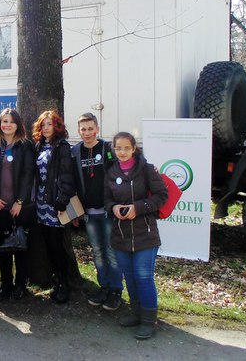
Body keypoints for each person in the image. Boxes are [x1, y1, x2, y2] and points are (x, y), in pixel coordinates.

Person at [104, 132, 168, 340]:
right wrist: (113, 208)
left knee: (143, 277)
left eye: (126, 148)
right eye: (118, 148)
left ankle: (149, 321)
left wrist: (138, 208)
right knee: (130, 277)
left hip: (145, 234)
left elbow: (162, 196)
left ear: (133, 149)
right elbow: (106, 200)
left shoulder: (147, 170)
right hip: (121, 235)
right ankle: (136, 314)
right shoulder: (111, 172)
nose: (122, 152)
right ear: (114, 149)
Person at [71, 113, 123, 310]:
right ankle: (104, 286)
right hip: (89, 213)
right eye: (83, 129)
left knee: (111, 251)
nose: (87, 133)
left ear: (97, 129)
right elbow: (72, 181)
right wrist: (76, 211)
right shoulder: (75, 152)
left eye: (90, 129)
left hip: (108, 211)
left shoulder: (107, 148)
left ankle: (116, 290)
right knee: (98, 252)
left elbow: (121, 171)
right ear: (79, 131)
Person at [0, 108, 35, 301]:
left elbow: (28, 175)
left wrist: (20, 201)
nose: (7, 125)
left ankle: (20, 285)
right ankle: (5, 284)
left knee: (21, 246)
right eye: (4, 121)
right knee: (3, 247)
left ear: (18, 124)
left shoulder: (25, 145)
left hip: (20, 207)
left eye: (11, 121)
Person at [32, 110, 76, 304]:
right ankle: (56, 279)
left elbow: (67, 176)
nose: (46, 128)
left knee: (57, 245)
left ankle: (64, 283)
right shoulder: (39, 145)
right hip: (41, 202)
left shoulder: (62, 146)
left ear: (57, 126)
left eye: (50, 124)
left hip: (55, 203)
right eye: (43, 125)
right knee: (48, 245)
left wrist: (62, 200)